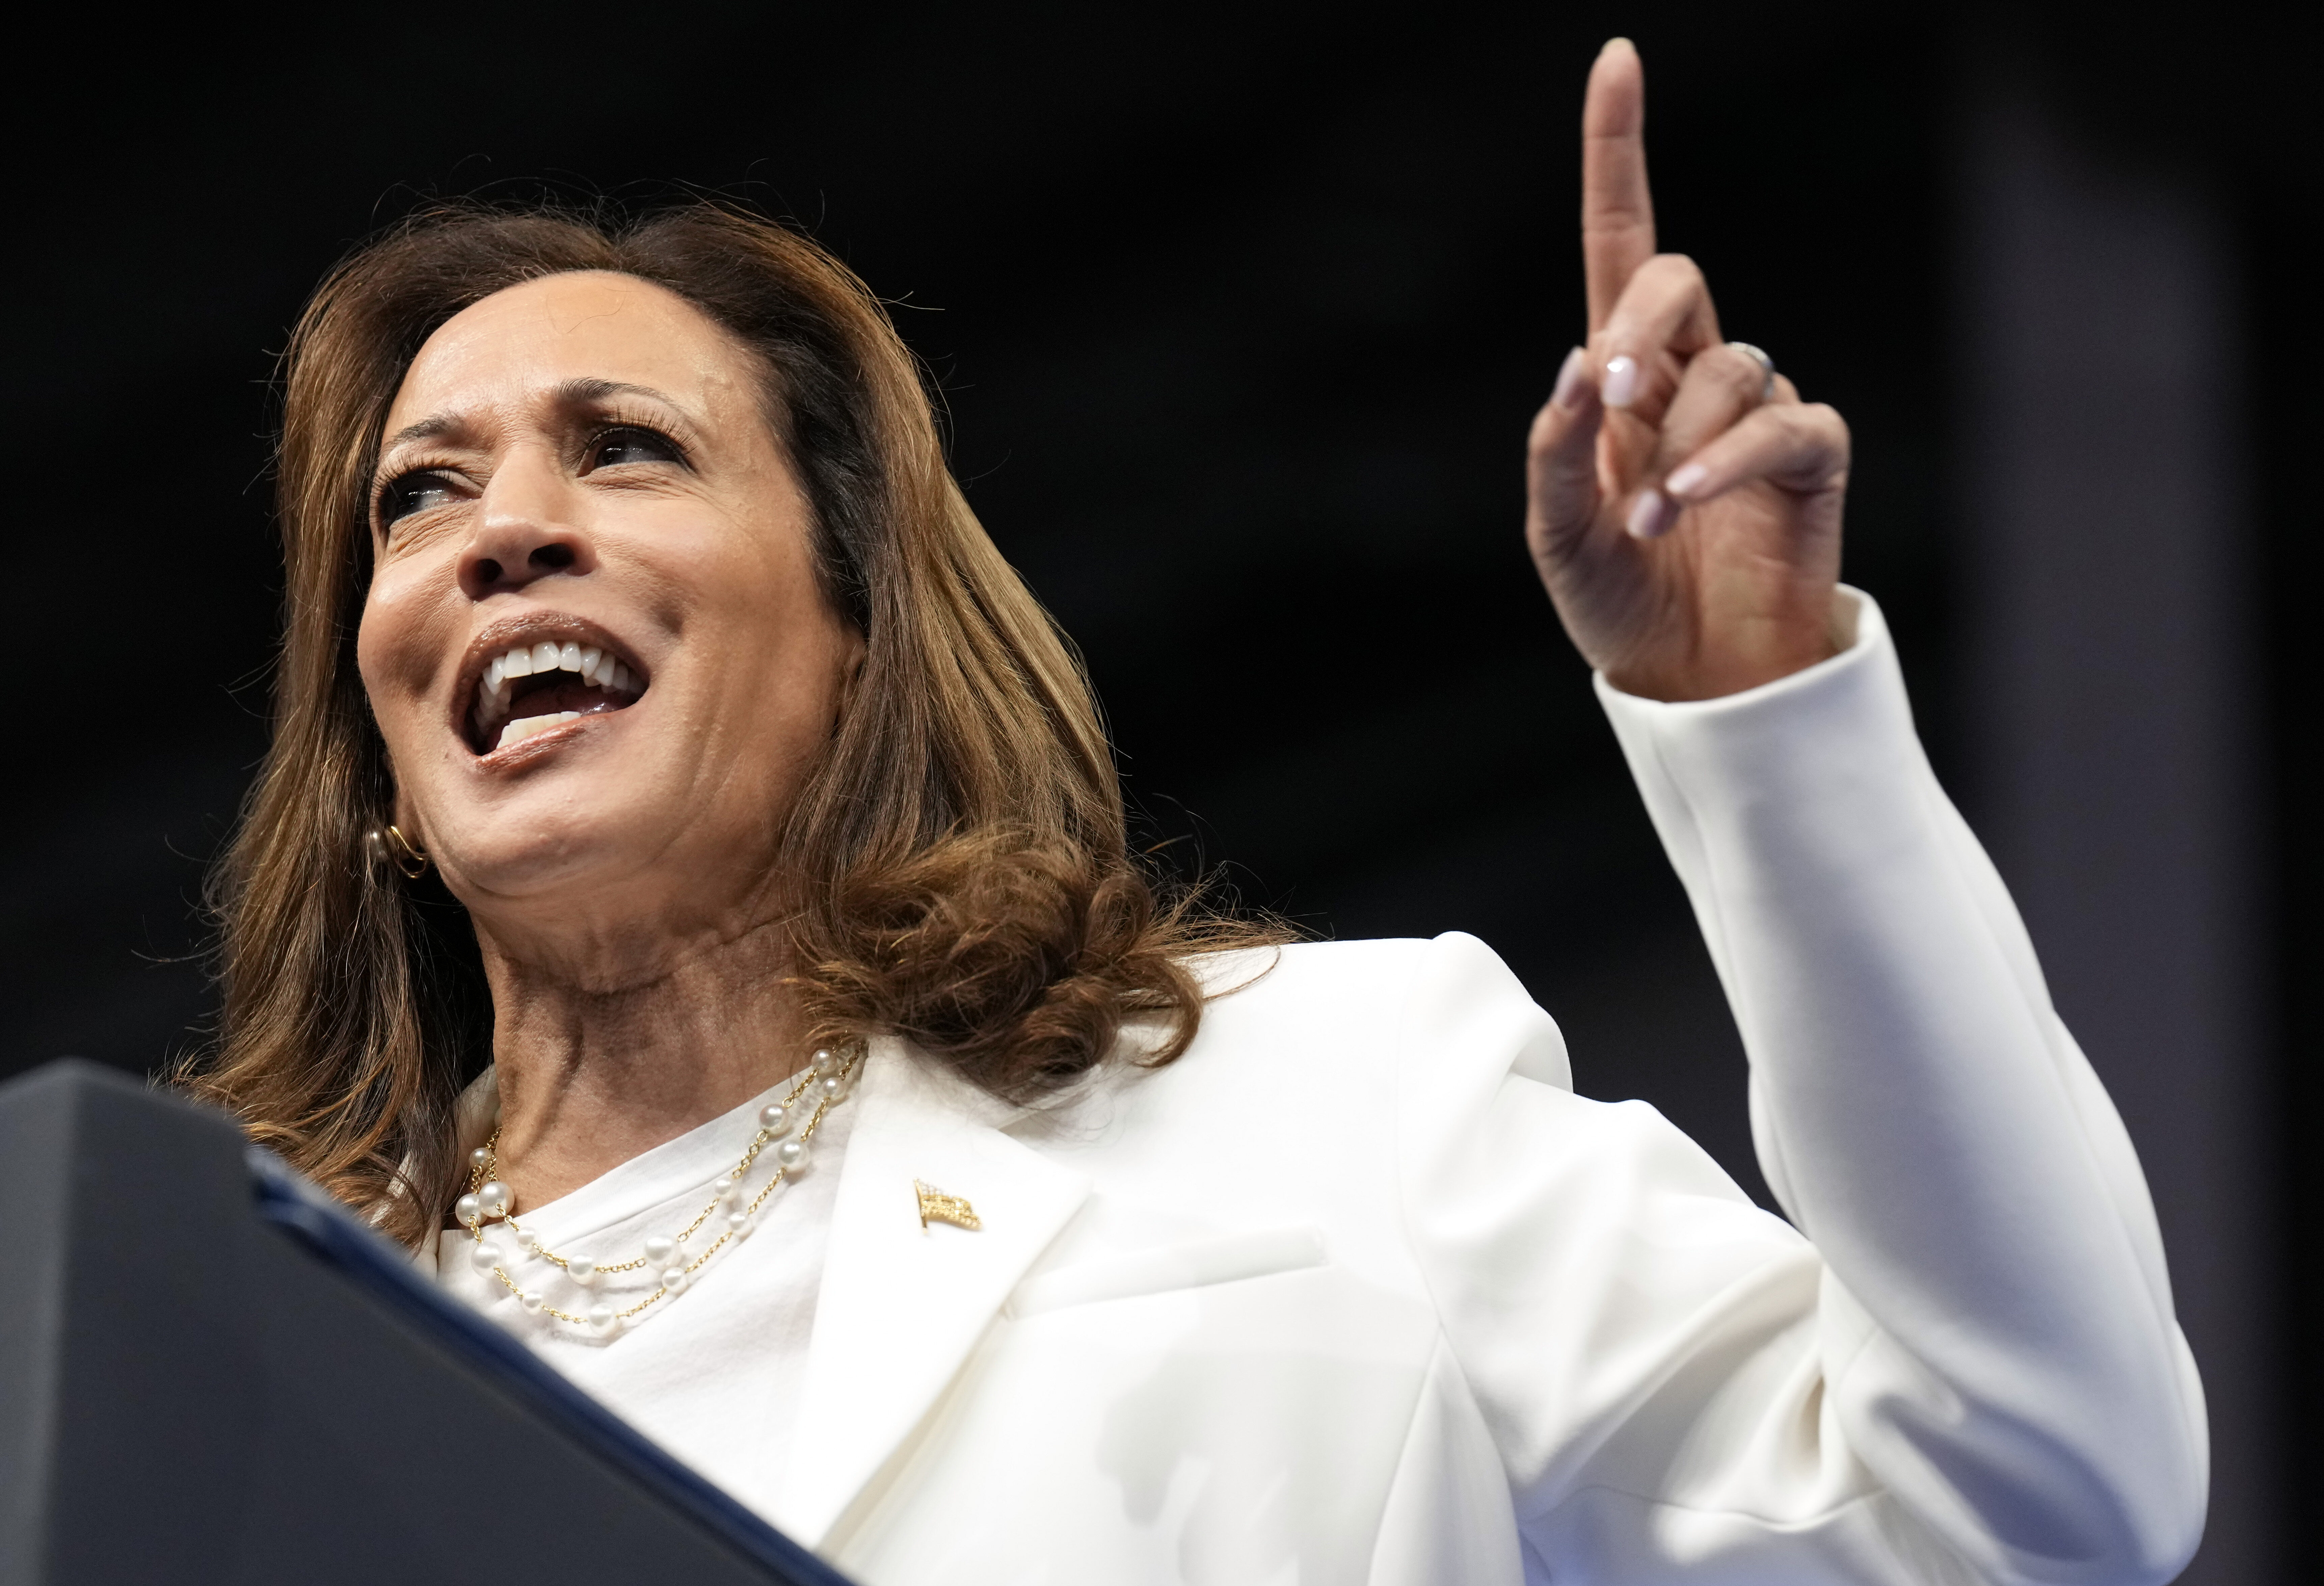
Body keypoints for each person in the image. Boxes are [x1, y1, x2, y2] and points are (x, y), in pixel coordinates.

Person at [179, 39, 2207, 1584]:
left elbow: (2021, 1499)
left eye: (622, 451)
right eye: (415, 497)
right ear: (374, 751)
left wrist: (1766, 731)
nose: (501, 533)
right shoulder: (230, 1331)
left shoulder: (1318, 1097)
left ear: (859, 639)